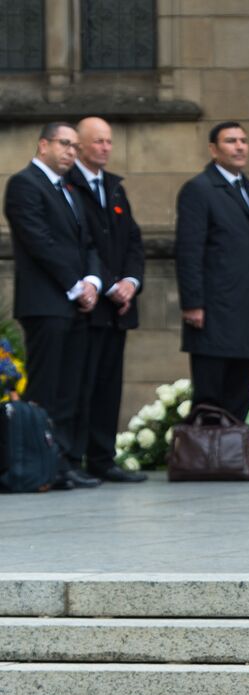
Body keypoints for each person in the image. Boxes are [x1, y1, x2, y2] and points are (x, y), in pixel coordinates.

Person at [3, 121, 102, 490]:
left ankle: (63, 462)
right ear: (43, 145)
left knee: (70, 389)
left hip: (75, 302)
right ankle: (40, 464)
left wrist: (93, 282)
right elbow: (39, 242)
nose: (71, 153)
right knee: (46, 389)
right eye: (65, 144)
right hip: (46, 303)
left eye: (76, 146)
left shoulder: (69, 190)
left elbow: (88, 243)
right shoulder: (24, 185)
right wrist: (76, 286)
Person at [174, 121, 249, 427]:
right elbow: (189, 250)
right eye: (231, 141)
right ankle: (207, 457)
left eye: (243, 140)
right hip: (213, 312)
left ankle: (233, 455)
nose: (240, 147)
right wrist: (193, 303)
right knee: (211, 392)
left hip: (246, 311)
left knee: (241, 388)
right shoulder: (199, 190)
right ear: (214, 150)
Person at [70, 116, 145, 485]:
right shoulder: (70, 185)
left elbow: (132, 239)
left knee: (108, 385)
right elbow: (83, 245)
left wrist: (131, 282)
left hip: (118, 305)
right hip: (87, 303)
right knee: (81, 384)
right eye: (97, 142)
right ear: (80, 146)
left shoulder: (114, 187)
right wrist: (109, 284)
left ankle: (103, 457)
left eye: (108, 142)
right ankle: (74, 456)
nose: (104, 148)